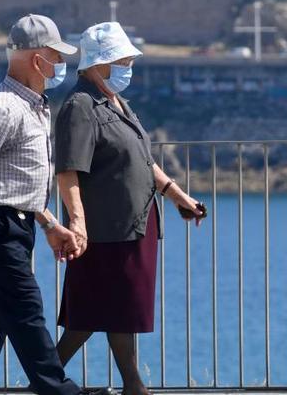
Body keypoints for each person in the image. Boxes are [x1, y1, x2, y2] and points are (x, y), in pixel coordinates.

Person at [0, 14, 111, 395]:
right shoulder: (6, 107)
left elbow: (15, 180)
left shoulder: (31, 105)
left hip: (9, 219)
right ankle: (58, 390)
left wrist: (49, 223)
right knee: (25, 307)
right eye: (56, 55)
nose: (61, 65)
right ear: (37, 60)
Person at [53, 22, 207, 395]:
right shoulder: (80, 106)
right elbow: (68, 169)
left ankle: (112, 383)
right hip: (103, 227)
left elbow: (141, 160)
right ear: (100, 63)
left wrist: (176, 196)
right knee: (95, 309)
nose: (128, 68)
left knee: (110, 307)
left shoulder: (115, 103)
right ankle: (120, 384)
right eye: (122, 60)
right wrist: (77, 221)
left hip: (132, 224)